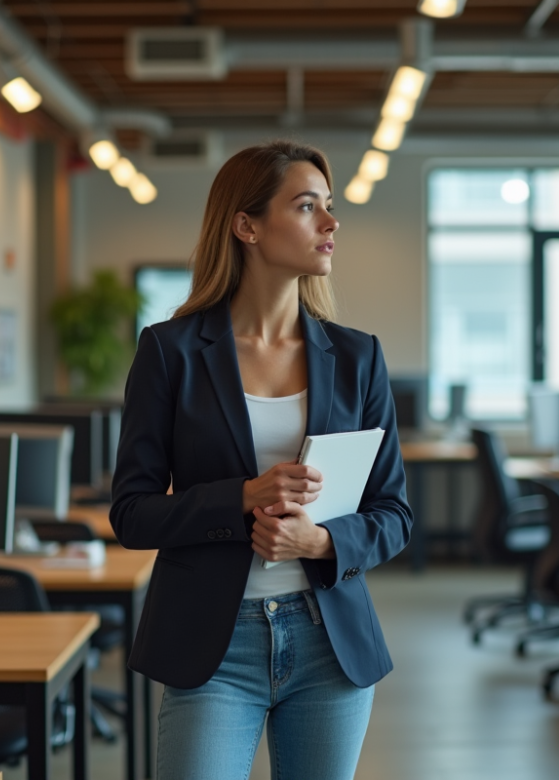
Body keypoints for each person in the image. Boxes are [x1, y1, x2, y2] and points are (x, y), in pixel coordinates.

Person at [110, 140, 413, 780]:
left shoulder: (358, 358)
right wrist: (242, 496)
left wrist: (321, 541)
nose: (330, 224)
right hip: (213, 647)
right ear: (246, 225)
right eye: (308, 208)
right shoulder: (171, 352)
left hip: (329, 644)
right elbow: (132, 515)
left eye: (329, 209)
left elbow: (395, 513)